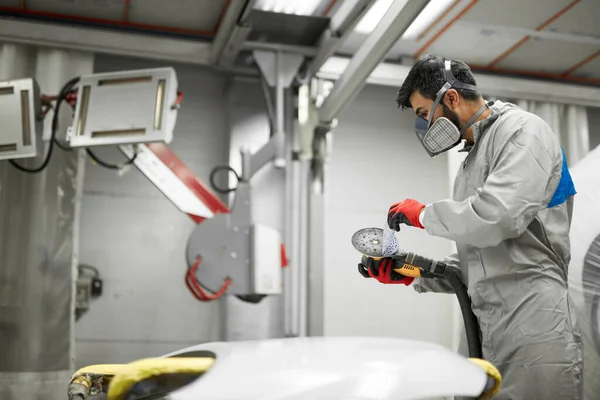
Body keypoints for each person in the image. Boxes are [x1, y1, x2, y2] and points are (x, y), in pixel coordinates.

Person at [358, 54, 583, 400]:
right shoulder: (469, 163)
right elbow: (478, 263)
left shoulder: (524, 131)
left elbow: (498, 217)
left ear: (450, 98)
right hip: (486, 325)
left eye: (423, 115)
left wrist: (422, 214)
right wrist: (412, 271)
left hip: (535, 325)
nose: (424, 127)